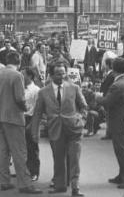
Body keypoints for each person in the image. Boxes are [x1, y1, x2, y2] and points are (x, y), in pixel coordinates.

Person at [31, 64, 87, 197]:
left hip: (74, 129)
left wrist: (81, 120)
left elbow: (84, 106)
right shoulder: (43, 92)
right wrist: (35, 132)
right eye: (58, 74)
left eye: (63, 73)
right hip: (55, 129)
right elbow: (37, 113)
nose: (62, 76)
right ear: (51, 76)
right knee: (58, 159)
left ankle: (75, 187)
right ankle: (60, 185)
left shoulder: (74, 88)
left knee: (74, 159)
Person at [0, 51, 41, 194]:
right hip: (13, 118)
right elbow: (19, 98)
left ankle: (5, 181)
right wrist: (24, 109)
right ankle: (24, 184)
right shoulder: (17, 75)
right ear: (18, 62)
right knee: (19, 151)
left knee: (4, 151)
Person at [96, 57, 124, 189]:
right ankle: (123, 175)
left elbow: (107, 101)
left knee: (122, 151)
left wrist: (96, 97)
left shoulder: (117, 85)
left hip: (120, 121)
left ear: (113, 69)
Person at [22, 67, 40, 182]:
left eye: (23, 74)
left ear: (30, 76)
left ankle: (34, 171)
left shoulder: (36, 90)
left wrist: (33, 123)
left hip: (30, 119)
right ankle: (24, 170)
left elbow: (38, 109)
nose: (21, 76)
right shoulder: (20, 87)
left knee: (32, 147)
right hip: (19, 119)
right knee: (22, 147)